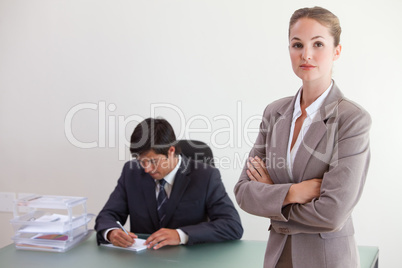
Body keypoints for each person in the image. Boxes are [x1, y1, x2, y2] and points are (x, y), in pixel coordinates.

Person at [234, 6, 371, 268]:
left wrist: (273, 197)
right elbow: (243, 191)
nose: (306, 54)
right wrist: (294, 192)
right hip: (277, 258)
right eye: (297, 45)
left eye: (318, 44)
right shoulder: (275, 112)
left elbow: (332, 213)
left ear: (337, 51)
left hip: (326, 260)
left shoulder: (352, 119)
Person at [95, 118, 243, 250]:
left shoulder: (206, 176)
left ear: (171, 151)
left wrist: (181, 235)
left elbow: (232, 225)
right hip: (144, 261)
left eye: (153, 161)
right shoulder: (131, 172)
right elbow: (108, 215)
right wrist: (111, 232)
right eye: (141, 161)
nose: (147, 169)